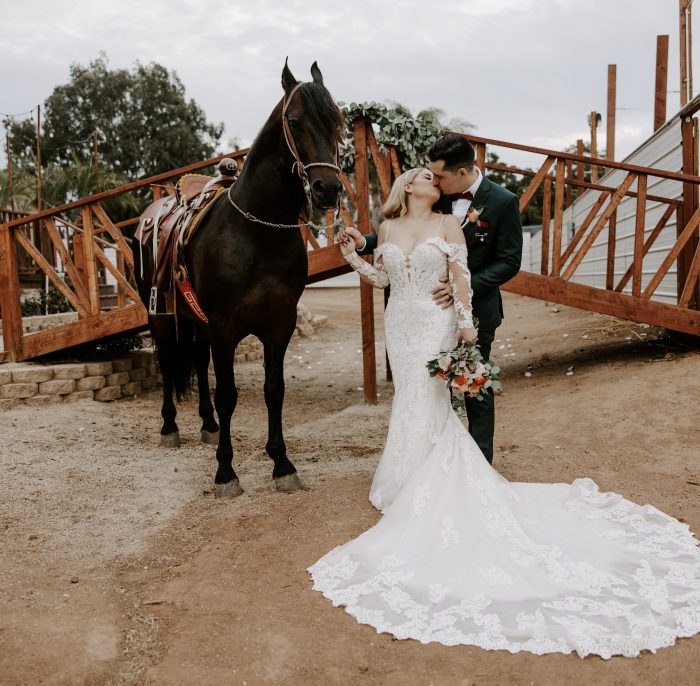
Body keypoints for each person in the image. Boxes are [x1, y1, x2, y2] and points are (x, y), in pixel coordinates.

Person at [307, 167, 700, 658]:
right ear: (409, 186)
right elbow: (382, 278)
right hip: (401, 322)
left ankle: (424, 481)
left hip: (436, 322)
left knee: (426, 396)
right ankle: (407, 475)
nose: (437, 181)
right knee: (408, 395)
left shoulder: (449, 224)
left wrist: (467, 326)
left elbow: (461, 276)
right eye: (428, 175)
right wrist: (351, 255)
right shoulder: (384, 229)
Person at [355, 134, 522, 464]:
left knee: (472, 387)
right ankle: (429, 462)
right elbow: (410, 227)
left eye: (440, 175)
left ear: (461, 173)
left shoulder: (503, 201)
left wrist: (464, 285)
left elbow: (509, 261)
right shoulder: (439, 196)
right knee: (428, 390)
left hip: (474, 309)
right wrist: (365, 241)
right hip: (421, 313)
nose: (435, 180)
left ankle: (479, 466)